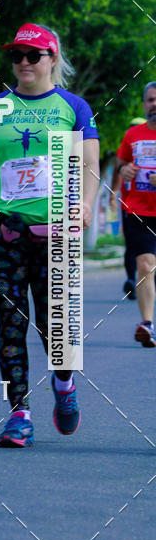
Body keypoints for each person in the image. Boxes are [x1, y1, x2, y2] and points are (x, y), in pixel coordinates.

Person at [0, 23, 100, 447]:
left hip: (56, 232)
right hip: (4, 231)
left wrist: (86, 204)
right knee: (10, 326)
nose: (23, 63)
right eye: (17, 56)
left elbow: (89, 164)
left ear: (52, 58)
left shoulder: (73, 107)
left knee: (57, 329)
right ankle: (19, 415)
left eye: (33, 55)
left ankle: (64, 384)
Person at [114, 82, 156, 347]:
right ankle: (148, 324)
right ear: (144, 105)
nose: (155, 105)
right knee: (145, 265)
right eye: (150, 100)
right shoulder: (133, 135)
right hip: (138, 211)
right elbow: (120, 164)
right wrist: (124, 171)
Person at [110, 115, 147, 300]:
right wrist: (112, 193)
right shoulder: (127, 147)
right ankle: (131, 280)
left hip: (150, 206)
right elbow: (118, 169)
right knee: (132, 246)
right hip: (130, 206)